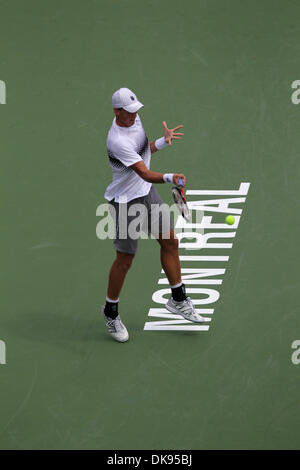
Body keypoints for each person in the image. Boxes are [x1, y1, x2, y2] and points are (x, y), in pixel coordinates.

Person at [102, 87, 205, 342]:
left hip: (146, 194)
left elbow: (142, 153)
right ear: (116, 111)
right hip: (126, 203)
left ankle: (178, 299)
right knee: (125, 260)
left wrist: (161, 141)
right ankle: (110, 312)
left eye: (136, 110)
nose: (134, 116)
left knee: (170, 242)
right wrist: (171, 177)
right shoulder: (117, 140)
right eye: (128, 113)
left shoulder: (134, 121)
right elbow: (144, 171)